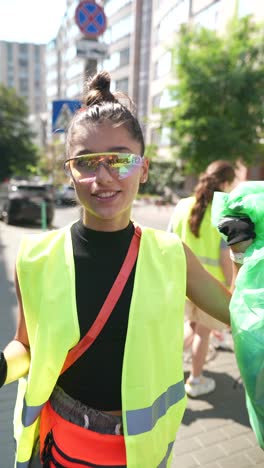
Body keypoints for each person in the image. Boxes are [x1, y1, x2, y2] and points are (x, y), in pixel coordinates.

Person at [0, 71, 254, 468]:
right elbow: (27, 348)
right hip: (61, 449)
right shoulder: (34, 256)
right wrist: (3, 366)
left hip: (141, 454)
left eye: (119, 159)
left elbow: (239, 315)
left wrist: (242, 253)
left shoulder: (171, 254)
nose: (102, 177)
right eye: (86, 162)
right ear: (70, 171)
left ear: (145, 168)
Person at [167, 160, 237, 398]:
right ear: (226, 183)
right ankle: (195, 381)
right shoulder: (223, 211)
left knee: (192, 327)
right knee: (203, 334)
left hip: (182, 282)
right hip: (210, 286)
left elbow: (167, 240)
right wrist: (231, 286)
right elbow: (224, 256)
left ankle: (167, 368)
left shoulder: (183, 205)